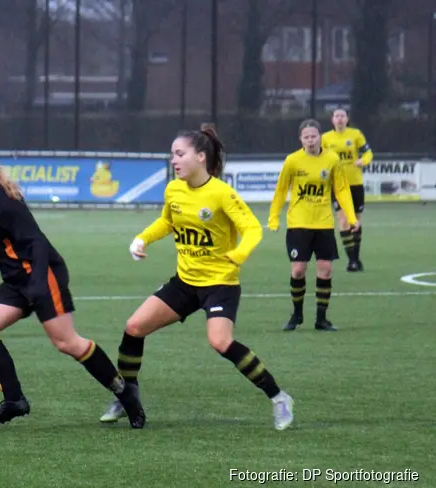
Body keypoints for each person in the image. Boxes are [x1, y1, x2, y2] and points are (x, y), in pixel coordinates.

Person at [98, 125, 294, 431]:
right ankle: (127, 398)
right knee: (134, 327)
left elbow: (252, 229)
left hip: (219, 285)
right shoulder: (174, 189)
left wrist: (238, 255)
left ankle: (279, 397)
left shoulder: (221, 193)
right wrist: (142, 239)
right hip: (185, 282)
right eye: (172, 154)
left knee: (220, 342)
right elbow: (167, 222)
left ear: (200, 157)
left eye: (179, 153)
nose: (173, 160)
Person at [0, 149, 145, 427]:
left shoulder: (5, 204)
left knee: (67, 343)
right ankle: (14, 400)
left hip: (42, 274)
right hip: (17, 281)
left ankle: (126, 394)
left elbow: (36, 243)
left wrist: (38, 284)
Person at [269, 119, 360, 332]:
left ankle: (321, 319)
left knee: (325, 269)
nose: (310, 140)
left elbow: (342, 190)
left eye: (314, 136)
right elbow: (281, 190)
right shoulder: (292, 160)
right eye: (306, 137)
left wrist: (352, 218)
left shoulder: (332, 159)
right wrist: (274, 216)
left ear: (320, 136)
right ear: (300, 139)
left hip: (324, 223)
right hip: (298, 223)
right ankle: (297, 314)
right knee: (299, 270)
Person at [321, 108, 373, 271]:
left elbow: (368, 153)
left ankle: (355, 258)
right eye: (337, 116)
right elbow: (319, 158)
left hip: (355, 183)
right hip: (338, 185)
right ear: (332, 120)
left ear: (347, 118)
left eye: (342, 116)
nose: (340, 119)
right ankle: (352, 260)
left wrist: (362, 161)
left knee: (355, 221)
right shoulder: (325, 138)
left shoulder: (356, 134)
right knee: (343, 221)